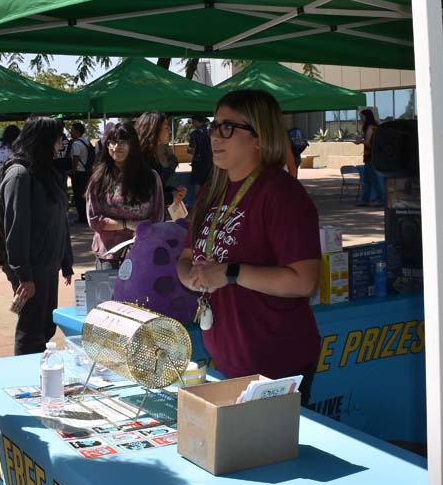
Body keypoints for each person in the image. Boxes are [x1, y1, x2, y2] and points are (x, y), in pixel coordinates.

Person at [176, 89, 322, 406]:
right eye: (214, 126)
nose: (215, 135)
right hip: (228, 361)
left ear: (258, 137)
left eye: (227, 127)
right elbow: (186, 257)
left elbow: (305, 280)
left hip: (277, 363)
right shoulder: (211, 192)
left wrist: (230, 273)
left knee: (268, 454)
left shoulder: (281, 193)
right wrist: (191, 277)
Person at [0, 117, 74, 355]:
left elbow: (60, 219)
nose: (61, 144)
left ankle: (41, 374)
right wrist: (24, 275)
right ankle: (26, 378)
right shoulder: (19, 175)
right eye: (57, 138)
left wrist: (66, 261)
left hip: (48, 265)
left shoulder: (46, 172)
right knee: (31, 329)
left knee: (45, 326)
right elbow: (16, 229)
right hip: (31, 269)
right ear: (43, 140)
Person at [87, 122, 163, 268]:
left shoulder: (150, 177)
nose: (117, 147)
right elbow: (94, 220)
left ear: (133, 144)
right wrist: (128, 224)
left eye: (123, 142)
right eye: (112, 142)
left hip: (142, 252)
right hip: (109, 255)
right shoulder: (98, 179)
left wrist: (140, 232)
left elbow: (157, 216)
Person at [136, 111, 186, 218]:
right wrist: (171, 196)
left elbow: (157, 187)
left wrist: (173, 192)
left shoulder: (151, 155)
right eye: (166, 127)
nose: (170, 131)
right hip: (143, 224)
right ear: (155, 130)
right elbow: (147, 195)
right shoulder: (142, 159)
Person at [355, 109, 384, 206]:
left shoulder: (370, 127)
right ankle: (365, 199)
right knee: (367, 179)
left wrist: (359, 141)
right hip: (371, 155)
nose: (361, 119)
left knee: (372, 179)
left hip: (371, 155)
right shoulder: (374, 126)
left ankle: (379, 198)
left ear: (367, 117)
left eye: (362, 117)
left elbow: (367, 142)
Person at [68, 122, 93, 224]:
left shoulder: (76, 143)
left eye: (72, 131)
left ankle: (82, 217)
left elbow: (75, 158)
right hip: (87, 171)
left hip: (79, 172)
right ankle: (87, 215)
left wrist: (73, 171)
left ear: (77, 132)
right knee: (85, 195)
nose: (71, 133)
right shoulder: (87, 141)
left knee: (78, 196)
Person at [187, 116, 213, 195]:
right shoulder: (212, 131)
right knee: (210, 184)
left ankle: (198, 205)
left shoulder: (195, 133)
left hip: (199, 163)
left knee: (197, 183)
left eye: (193, 122)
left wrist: (188, 150)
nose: (192, 124)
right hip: (211, 162)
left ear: (196, 121)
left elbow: (193, 150)